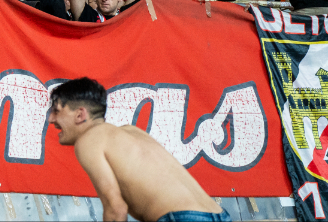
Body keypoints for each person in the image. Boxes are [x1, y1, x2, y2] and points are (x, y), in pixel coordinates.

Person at [48, 77, 229, 222]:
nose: (51, 119)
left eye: (56, 111)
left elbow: (116, 210)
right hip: (219, 214)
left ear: (80, 114)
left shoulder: (88, 140)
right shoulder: (132, 131)